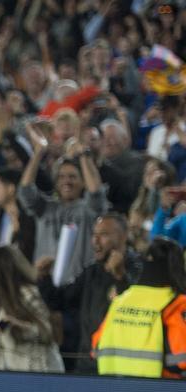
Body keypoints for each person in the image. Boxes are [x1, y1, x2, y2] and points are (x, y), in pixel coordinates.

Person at [38, 213, 141, 374]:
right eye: (94, 235)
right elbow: (61, 301)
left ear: (123, 237)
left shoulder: (138, 269)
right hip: (86, 364)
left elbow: (137, 311)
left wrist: (121, 277)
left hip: (120, 367)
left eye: (104, 235)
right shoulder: (91, 272)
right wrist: (44, 278)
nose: (95, 241)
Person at [18, 126, 107, 286]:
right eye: (61, 177)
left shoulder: (88, 210)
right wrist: (38, 153)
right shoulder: (46, 208)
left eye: (73, 176)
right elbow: (25, 190)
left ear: (82, 182)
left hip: (78, 287)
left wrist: (83, 156)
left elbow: (95, 192)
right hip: (45, 284)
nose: (67, 181)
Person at [92, 238, 186, 378]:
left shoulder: (120, 301)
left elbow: (96, 349)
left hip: (113, 391)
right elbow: (181, 359)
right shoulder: (176, 303)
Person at [0, 244, 64, 373]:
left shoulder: (28, 293)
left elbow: (48, 332)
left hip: (40, 372)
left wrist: (20, 326)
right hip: (11, 374)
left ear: (2, 270)